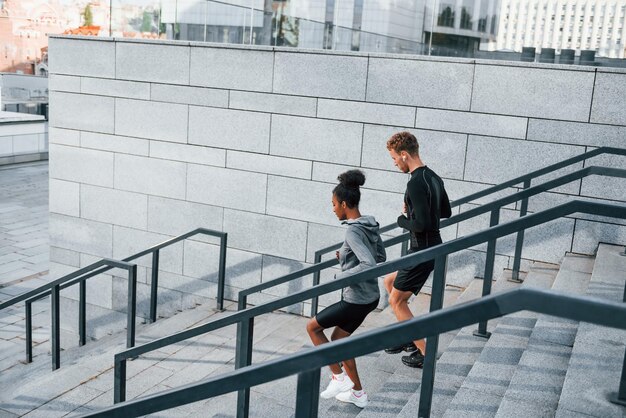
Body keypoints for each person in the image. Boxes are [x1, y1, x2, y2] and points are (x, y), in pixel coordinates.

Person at [306, 169, 387, 408]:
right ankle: (358, 393)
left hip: (356, 298)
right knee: (340, 340)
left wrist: (339, 276)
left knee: (312, 328)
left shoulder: (352, 230)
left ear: (343, 203)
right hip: (370, 296)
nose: (332, 209)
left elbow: (369, 263)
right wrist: (344, 256)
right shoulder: (369, 224)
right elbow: (380, 255)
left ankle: (338, 377)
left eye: (333, 204)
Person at [382, 131, 451, 368]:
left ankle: (426, 352)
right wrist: (416, 210)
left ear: (404, 155)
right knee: (389, 282)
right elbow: (445, 212)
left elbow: (423, 224)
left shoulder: (414, 183)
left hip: (423, 250)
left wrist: (403, 219)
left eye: (394, 158)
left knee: (396, 301)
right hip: (428, 247)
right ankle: (408, 338)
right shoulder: (433, 177)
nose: (394, 163)